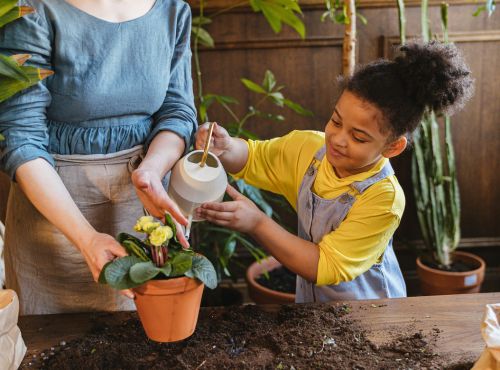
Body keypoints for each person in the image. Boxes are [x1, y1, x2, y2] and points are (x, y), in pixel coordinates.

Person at [195, 41, 474, 303]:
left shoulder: (384, 199)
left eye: (359, 137)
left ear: (393, 147)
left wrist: (257, 223)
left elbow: (324, 265)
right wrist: (226, 146)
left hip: (372, 317)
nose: (338, 139)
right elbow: (254, 159)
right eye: (336, 121)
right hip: (314, 309)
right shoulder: (309, 148)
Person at [0, 0, 196, 314]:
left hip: (144, 209)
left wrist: (150, 172)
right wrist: (87, 239)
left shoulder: (173, 10)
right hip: (55, 214)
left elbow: (178, 112)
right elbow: (21, 138)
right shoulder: (33, 8)